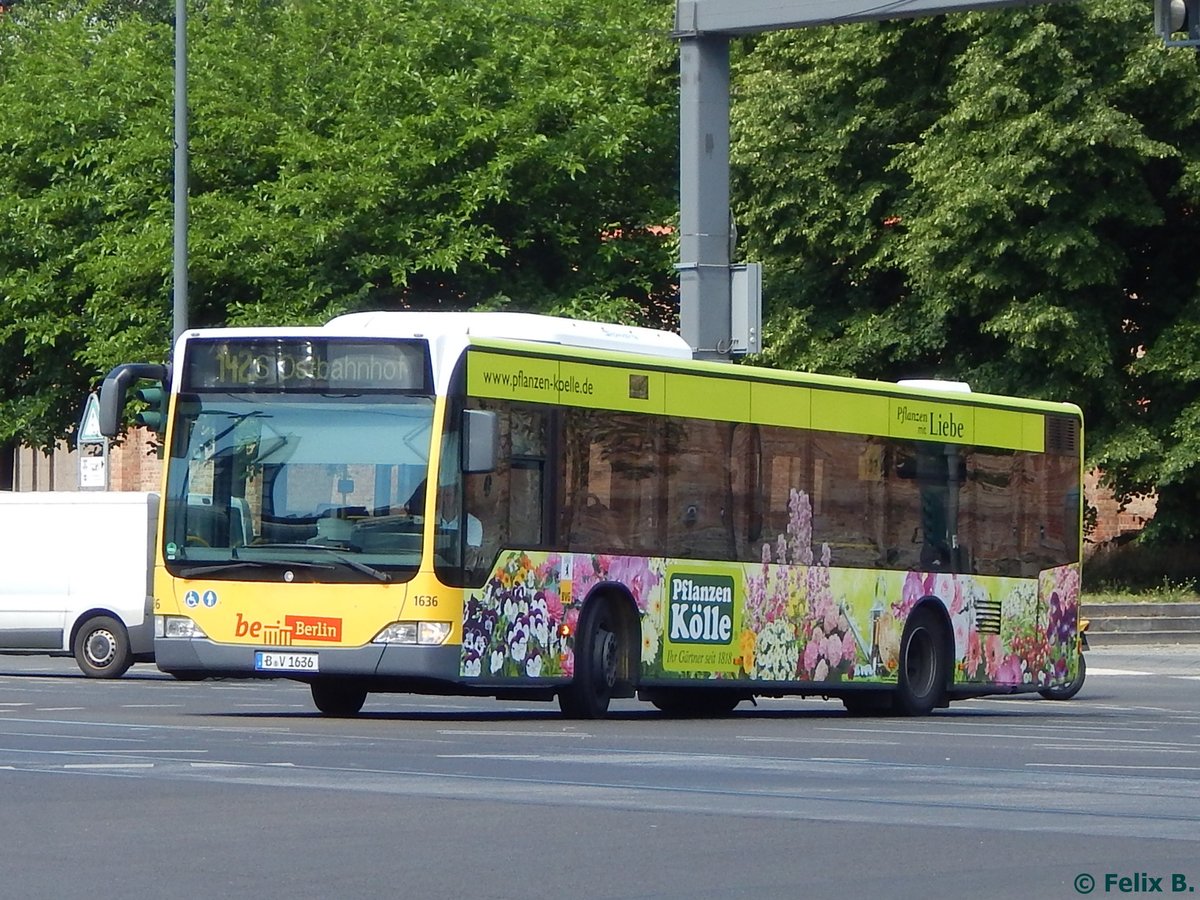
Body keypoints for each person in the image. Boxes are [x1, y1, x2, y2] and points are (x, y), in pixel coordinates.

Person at [435, 480, 482, 548]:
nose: (443, 499)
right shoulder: (429, 521)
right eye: (439, 495)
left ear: (457, 497)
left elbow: (470, 555)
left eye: (447, 495)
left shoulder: (473, 524)